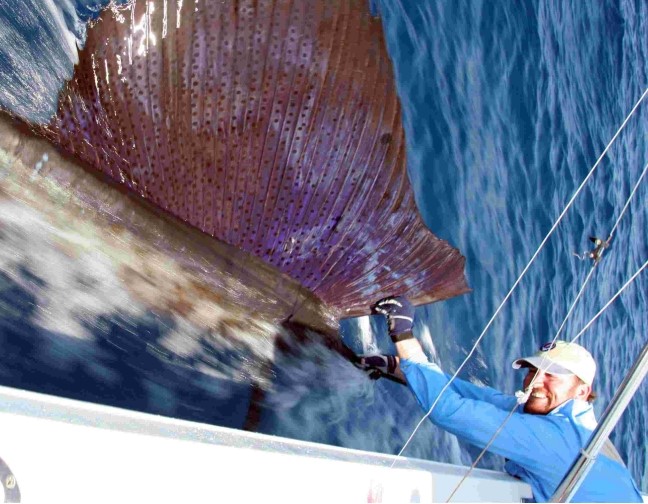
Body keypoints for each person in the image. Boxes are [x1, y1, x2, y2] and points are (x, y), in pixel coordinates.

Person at [360, 296, 642, 503]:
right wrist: (396, 365)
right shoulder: (567, 421)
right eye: (533, 370)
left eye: (552, 375)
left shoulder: (553, 439)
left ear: (582, 391)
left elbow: (447, 410)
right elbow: (465, 394)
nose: (536, 382)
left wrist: (403, 333)